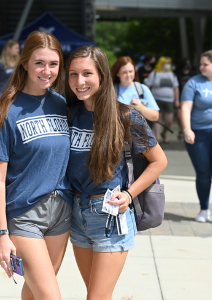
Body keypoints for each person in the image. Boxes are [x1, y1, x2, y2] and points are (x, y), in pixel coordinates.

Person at [65, 46, 167, 300]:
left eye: (87, 73)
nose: (80, 81)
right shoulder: (69, 114)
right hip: (77, 215)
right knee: (96, 294)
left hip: (110, 216)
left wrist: (130, 194)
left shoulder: (126, 116)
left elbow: (159, 161)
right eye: (73, 74)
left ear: (101, 75)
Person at [0, 31, 73, 300]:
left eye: (53, 64)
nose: (47, 71)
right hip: (25, 215)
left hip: (62, 212)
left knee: (33, 292)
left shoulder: (63, 104)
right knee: (50, 296)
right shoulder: (7, 110)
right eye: (39, 63)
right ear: (24, 63)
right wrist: (1, 234)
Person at [181, 50, 212, 223]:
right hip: (198, 134)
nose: (201, 67)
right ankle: (204, 209)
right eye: (200, 64)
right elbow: (185, 107)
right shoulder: (194, 82)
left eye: (205, 64)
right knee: (203, 172)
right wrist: (187, 129)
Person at [111, 56, 159, 122]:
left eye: (131, 71)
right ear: (117, 73)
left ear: (134, 71)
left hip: (138, 131)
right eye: (124, 72)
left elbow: (155, 116)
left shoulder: (142, 88)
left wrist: (142, 108)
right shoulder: (111, 90)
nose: (128, 75)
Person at [146, 56, 180, 143]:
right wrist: (147, 99)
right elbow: (148, 86)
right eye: (166, 63)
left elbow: (176, 88)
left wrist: (177, 100)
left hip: (169, 100)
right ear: (161, 63)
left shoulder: (172, 74)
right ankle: (158, 137)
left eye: (169, 63)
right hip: (156, 99)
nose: (168, 65)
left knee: (169, 120)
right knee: (158, 119)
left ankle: (164, 133)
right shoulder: (154, 73)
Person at [175, 58, 196, 140]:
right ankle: (181, 130)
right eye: (186, 63)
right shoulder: (177, 74)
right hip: (180, 97)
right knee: (180, 116)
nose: (188, 65)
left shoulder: (193, 74)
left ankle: (189, 130)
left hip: (192, 98)